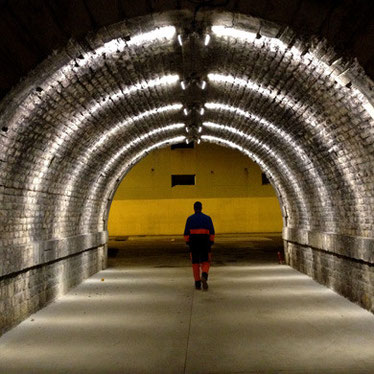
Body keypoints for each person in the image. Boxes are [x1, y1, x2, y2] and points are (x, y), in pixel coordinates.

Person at [184, 201, 215, 290]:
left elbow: (186, 233)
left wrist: (188, 242)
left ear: (194, 209)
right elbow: (212, 231)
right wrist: (211, 241)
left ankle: (197, 284)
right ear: (201, 208)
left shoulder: (189, 219)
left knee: (195, 263)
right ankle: (204, 276)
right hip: (205, 242)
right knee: (206, 261)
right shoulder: (208, 218)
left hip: (194, 243)